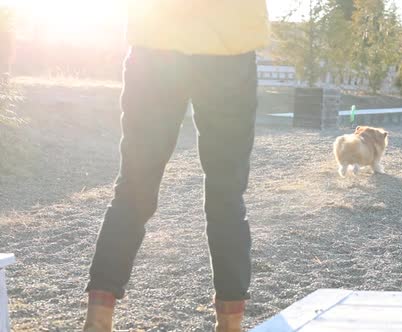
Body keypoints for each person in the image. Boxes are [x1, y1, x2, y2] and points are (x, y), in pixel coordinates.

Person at [83, 1, 269, 331]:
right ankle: (230, 324)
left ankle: (98, 321)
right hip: (228, 43)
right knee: (226, 194)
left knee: (134, 187)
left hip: (156, 42)